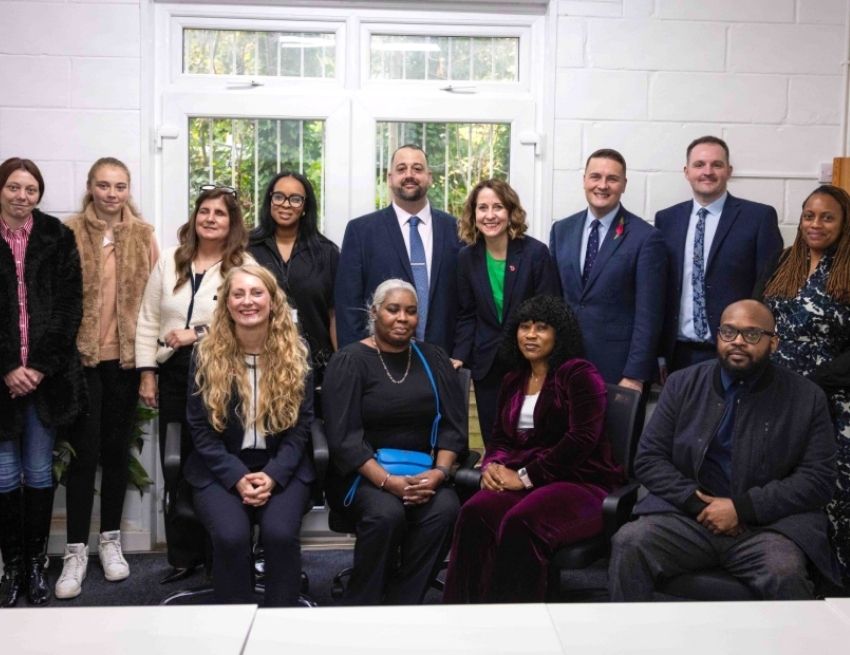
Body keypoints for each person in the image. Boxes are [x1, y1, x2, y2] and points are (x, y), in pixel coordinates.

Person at [608, 300, 840, 601]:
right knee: (630, 542)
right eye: (728, 332)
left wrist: (741, 509)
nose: (738, 342)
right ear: (718, 337)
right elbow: (649, 459)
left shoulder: (807, 397)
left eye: (752, 334)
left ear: (774, 343)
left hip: (768, 527)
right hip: (689, 519)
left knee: (784, 570)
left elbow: (817, 479)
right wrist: (698, 504)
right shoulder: (682, 384)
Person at [443, 295, 624, 603]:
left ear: (559, 334)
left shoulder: (579, 374)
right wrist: (493, 467)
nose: (530, 335)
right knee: (475, 512)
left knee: (521, 522)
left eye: (541, 328)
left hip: (580, 481)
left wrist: (525, 476)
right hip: (524, 480)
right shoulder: (513, 379)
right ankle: (463, 617)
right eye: (524, 327)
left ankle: (519, 625)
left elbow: (581, 440)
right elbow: (500, 438)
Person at [53, 158, 159, 600]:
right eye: (103, 185)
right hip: (80, 363)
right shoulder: (69, 231)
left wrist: (150, 365)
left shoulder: (143, 235)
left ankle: (111, 542)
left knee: (115, 453)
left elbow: (155, 300)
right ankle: (74, 552)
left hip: (125, 364)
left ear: (128, 189)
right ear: (90, 187)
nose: (111, 194)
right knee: (84, 454)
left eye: (119, 186)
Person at [323, 278, 467, 604]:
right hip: (363, 476)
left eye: (411, 311)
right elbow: (344, 438)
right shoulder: (350, 360)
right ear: (375, 313)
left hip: (422, 473)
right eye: (393, 309)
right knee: (386, 514)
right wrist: (388, 482)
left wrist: (439, 474)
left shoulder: (434, 358)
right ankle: (363, 603)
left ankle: (404, 602)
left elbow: (453, 428)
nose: (402, 318)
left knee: (445, 509)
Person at [136, 185, 251, 584]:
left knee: (216, 461)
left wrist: (195, 332)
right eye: (204, 211)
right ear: (194, 217)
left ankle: (221, 549)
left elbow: (248, 318)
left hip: (220, 373)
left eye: (219, 213)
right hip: (171, 374)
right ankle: (184, 555)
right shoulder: (170, 260)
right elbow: (149, 318)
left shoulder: (242, 265)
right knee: (177, 464)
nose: (210, 219)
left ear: (231, 223)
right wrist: (146, 371)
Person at [185, 265, 315, 605]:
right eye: (238, 294)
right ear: (226, 303)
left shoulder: (296, 353)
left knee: (280, 533)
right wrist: (237, 477)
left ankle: (280, 623)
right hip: (220, 468)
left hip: (281, 465)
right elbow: (199, 429)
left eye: (257, 293)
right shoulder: (205, 353)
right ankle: (234, 625)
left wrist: (272, 475)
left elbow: (302, 428)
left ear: (273, 301)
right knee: (231, 536)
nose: (248, 301)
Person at [0, 157, 85, 606]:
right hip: (2, 382)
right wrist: (8, 366)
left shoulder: (57, 236)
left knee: (36, 472)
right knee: (3, 474)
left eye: (30, 189)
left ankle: (36, 564)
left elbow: (70, 308)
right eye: (14, 187)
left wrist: (37, 367)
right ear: (1, 190)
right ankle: (11, 566)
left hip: (45, 380)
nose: (22, 196)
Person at [759, 184, 850, 590]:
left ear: (843, 222)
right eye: (809, 215)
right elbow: (760, 317)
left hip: (834, 403)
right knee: (785, 485)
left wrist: (812, 384)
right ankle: (794, 580)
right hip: (776, 400)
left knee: (834, 495)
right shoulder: (784, 261)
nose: (816, 224)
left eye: (827, 217)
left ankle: (838, 589)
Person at [549, 148, 666, 410]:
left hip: (618, 371)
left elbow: (650, 314)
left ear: (624, 184)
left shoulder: (646, 237)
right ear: (584, 180)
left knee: (613, 448)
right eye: (595, 177)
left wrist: (634, 374)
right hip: (565, 364)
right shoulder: (561, 230)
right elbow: (556, 301)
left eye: (612, 179)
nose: (602, 185)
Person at [655, 135, 783, 374]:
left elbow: (770, 288)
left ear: (729, 171)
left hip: (738, 350)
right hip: (678, 353)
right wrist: (660, 353)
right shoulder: (666, 220)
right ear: (686, 171)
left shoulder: (758, 218)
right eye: (699, 164)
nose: (708, 171)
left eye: (717, 164)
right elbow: (660, 289)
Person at [453, 179, 560, 445]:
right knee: (494, 438)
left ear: (511, 212)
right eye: (482, 208)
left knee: (531, 436)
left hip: (529, 362)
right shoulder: (466, 258)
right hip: (487, 365)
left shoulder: (535, 253)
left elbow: (550, 310)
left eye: (498, 207)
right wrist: (459, 356)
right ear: (473, 214)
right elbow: (467, 314)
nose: (490, 215)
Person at [335, 144, 462, 354]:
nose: (409, 175)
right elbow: (349, 305)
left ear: (429, 177)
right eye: (401, 169)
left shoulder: (457, 230)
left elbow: (468, 304)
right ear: (390, 177)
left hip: (443, 359)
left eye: (417, 169)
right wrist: (358, 358)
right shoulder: (361, 231)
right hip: (379, 361)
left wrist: (460, 355)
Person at [248, 171, 339, 394]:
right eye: (279, 196)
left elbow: (334, 314)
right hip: (260, 364)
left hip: (316, 368)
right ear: (269, 200)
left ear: (305, 206)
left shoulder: (327, 253)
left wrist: (340, 366)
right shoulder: (247, 249)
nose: (286, 205)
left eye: (295, 199)